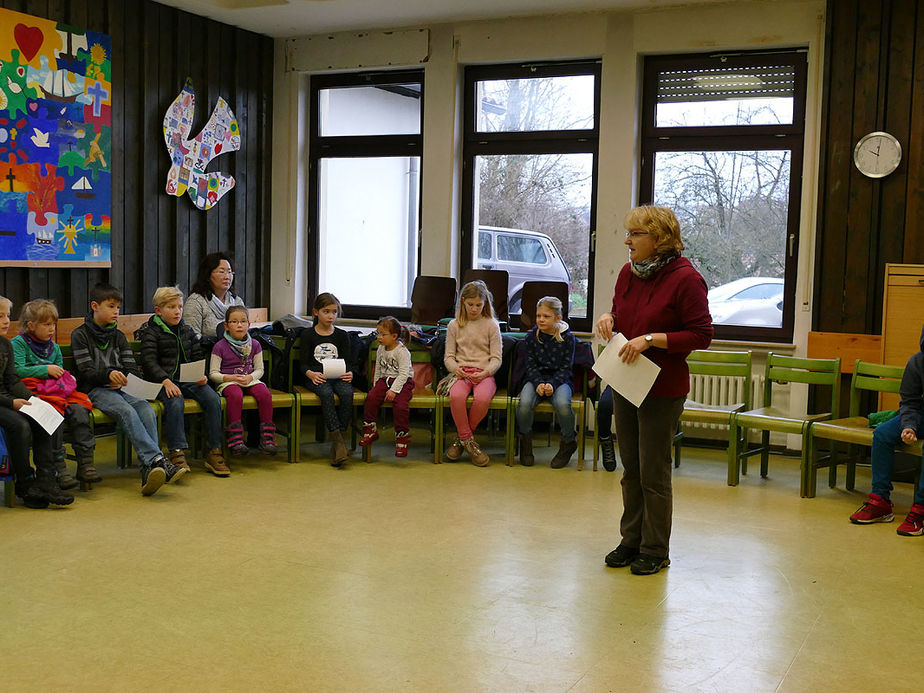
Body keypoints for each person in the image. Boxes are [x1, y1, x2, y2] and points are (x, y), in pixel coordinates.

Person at [595, 205, 712, 575]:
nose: (627, 241)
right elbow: (621, 311)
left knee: (653, 472)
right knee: (631, 469)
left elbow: (701, 334)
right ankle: (630, 540)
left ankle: (655, 548)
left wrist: (651, 339)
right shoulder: (629, 273)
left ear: (659, 238)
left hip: (663, 387)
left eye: (636, 234)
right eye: (628, 234)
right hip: (628, 379)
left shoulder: (686, 278)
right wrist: (609, 317)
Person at [70, 283, 186, 496]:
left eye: (118, 307)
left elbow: (131, 366)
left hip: (121, 389)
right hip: (95, 390)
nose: (116, 312)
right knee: (126, 411)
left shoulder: (119, 336)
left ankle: (149, 471)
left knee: (146, 409)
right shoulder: (80, 335)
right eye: (111, 306)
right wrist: (107, 375)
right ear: (95, 306)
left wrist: (124, 378)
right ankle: (157, 460)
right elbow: (85, 370)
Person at [138, 286, 228, 477]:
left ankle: (214, 450)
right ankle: (176, 451)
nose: (177, 311)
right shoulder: (150, 332)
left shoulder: (186, 330)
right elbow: (148, 362)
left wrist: (201, 374)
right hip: (161, 382)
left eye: (179, 306)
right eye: (171, 307)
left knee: (213, 399)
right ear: (158, 310)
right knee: (175, 401)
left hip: (188, 380)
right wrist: (165, 380)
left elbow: (197, 354)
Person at [11, 299, 97, 488]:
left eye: (54, 324)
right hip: (31, 393)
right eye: (47, 324)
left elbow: (58, 374)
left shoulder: (54, 347)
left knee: (80, 409)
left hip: (56, 392)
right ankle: (59, 466)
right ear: (31, 325)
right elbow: (17, 370)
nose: (52, 329)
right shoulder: (17, 344)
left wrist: (67, 378)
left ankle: (85, 463)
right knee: (53, 413)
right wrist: (45, 370)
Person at [849, 324, 924, 536]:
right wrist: (909, 426)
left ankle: (920, 510)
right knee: (882, 434)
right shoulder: (917, 362)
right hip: (920, 414)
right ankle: (880, 502)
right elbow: (910, 401)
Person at [0, 295, 73, 508]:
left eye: (7, 315)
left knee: (41, 416)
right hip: (3, 402)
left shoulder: (5, 344)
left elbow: (12, 379)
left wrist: (35, 400)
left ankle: (46, 480)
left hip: (7, 397)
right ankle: (25, 484)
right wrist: (12, 403)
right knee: (20, 425)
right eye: (0, 316)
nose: (6, 321)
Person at [443, 280, 502, 467]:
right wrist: (455, 369)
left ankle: (460, 441)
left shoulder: (492, 325)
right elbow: (449, 357)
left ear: (485, 304)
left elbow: (496, 359)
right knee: (456, 396)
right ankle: (470, 443)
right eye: (470, 305)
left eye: (478, 305)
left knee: (483, 399)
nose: (474, 309)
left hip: (484, 374)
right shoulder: (454, 325)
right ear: (462, 302)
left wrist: (486, 373)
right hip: (462, 374)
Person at [515, 296, 577, 468]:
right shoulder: (531, 337)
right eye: (538, 316)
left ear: (558, 318)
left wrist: (552, 385)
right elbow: (530, 365)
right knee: (525, 404)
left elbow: (566, 368)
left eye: (546, 316)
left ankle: (569, 442)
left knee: (563, 405)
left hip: (560, 380)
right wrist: (539, 383)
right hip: (535, 379)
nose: (541, 319)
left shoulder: (568, 338)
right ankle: (525, 443)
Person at [209, 305, 278, 457]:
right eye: (234, 322)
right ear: (226, 326)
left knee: (265, 394)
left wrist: (250, 377)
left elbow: (260, 370)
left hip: (249, 379)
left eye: (243, 321)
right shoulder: (219, 346)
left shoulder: (255, 344)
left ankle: (267, 438)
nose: (239, 325)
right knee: (235, 395)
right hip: (228, 382)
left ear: (249, 324)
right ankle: (235, 439)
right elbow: (213, 373)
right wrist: (230, 378)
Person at [300, 293, 354, 467]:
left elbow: (349, 362)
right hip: (317, 378)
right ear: (316, 312)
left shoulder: (341, 335)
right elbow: (303, 364)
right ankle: (338, 441)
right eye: (326, 311)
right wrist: (310, 374)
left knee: (347, 393)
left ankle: (339, 439)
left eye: (334, 312)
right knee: (326, 394)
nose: (331, 316)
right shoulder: (308, 335)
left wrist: (350, 373)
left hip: (338, 376)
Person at [360, 316, 414, 458]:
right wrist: (376, 386)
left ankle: (401, 437)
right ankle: (370, 429)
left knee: (401, 405)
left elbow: (403, 374)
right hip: (385, 380)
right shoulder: (380, 349)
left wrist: (393, 390)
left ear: (394, 336)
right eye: (378, 333)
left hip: (402, 382)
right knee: (371, 398)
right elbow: (378, 368)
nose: (379, 337)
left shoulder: (402, 351)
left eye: (383, 334)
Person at [184, 251, 245, 339]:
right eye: (221, 272)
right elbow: (191, 338)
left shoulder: (237, 302)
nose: (227, 277)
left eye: (230, 272)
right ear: (208, 275)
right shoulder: (196, 302)